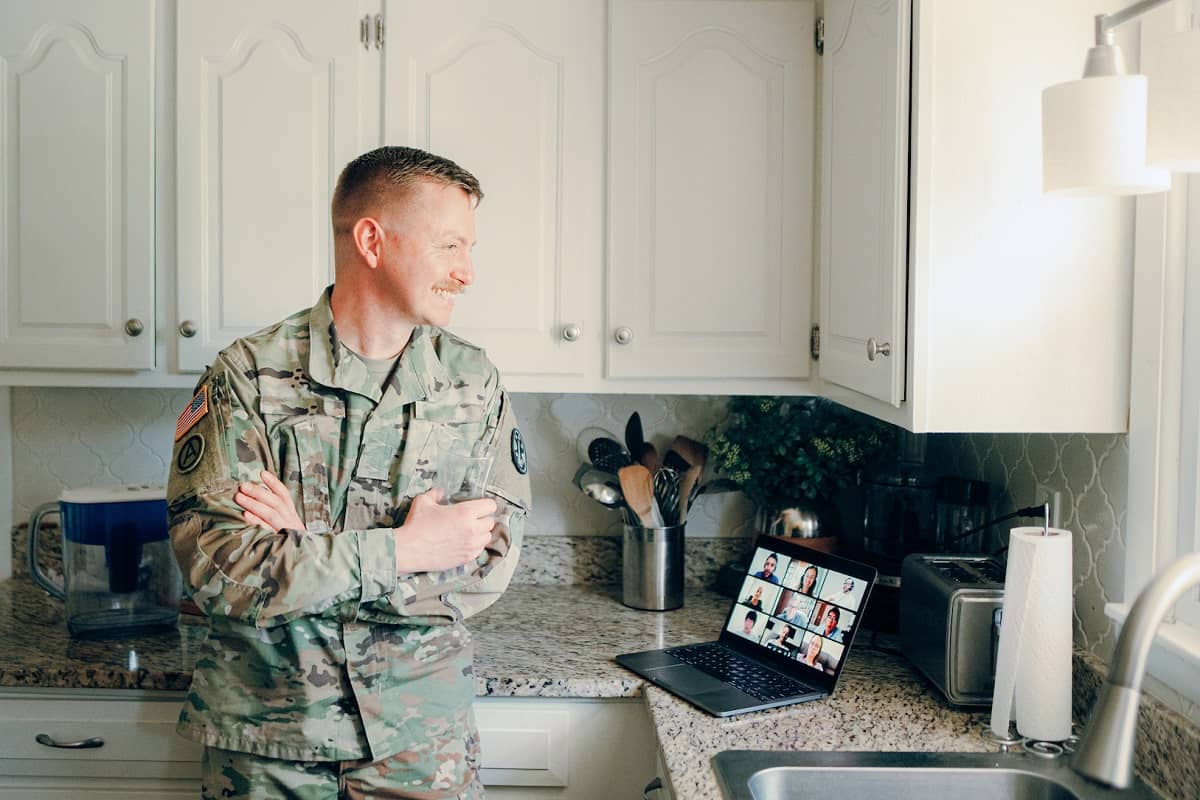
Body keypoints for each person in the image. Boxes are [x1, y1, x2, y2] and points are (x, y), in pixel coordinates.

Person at [166, 146, 532, 800]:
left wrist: (303, 550)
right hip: (270, 743)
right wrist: (408, 548)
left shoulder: (472, 384)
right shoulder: (247, 378)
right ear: (372, 240)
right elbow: (220, 569)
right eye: (450, 245)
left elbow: (487, 569)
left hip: (423, 744)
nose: (468, 272)